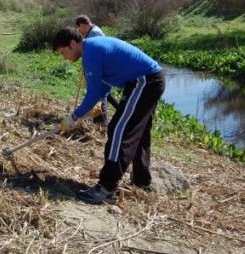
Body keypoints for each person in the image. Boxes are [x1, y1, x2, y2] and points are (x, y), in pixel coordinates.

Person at [51, 28, 165, 205]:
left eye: (63, 52)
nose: (64, 57)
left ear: (72, 44)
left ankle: (106, 187)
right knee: (138, 131)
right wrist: (97, 103)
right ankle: (142, 181)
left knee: (119, 129)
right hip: (150, 80)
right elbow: (103, 88)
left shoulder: (91, 52)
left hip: (144, 82)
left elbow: (93, 92)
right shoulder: (92, 48)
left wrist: (74, 117)